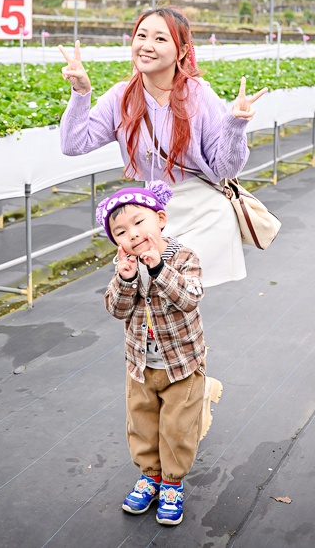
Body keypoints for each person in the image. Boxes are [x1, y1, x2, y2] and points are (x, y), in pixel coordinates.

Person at [58, 6, 267, 288]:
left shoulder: (198, 95)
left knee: (178, 296)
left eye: (160, 38)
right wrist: (81, 94)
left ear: (182, 51)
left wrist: (235, 126)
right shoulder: (121, 97)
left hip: (204, 211)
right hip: (152, 214)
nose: (147, 45)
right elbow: (73, 144)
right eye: (141, 36)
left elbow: (225, 169)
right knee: (157, 297)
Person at [97, 180, 205, 526]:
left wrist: (159, 269)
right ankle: (150, 475)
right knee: (142, 424)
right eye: (120, 232)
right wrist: (125, 279)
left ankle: (172, 482)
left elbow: (190, 299)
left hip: (181, 365)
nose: (132, 234)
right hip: (141, 366)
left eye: (138, 222)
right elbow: (116, 310)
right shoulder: (125, 265)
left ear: (160, 219)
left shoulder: (184, 257)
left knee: (177, 427)